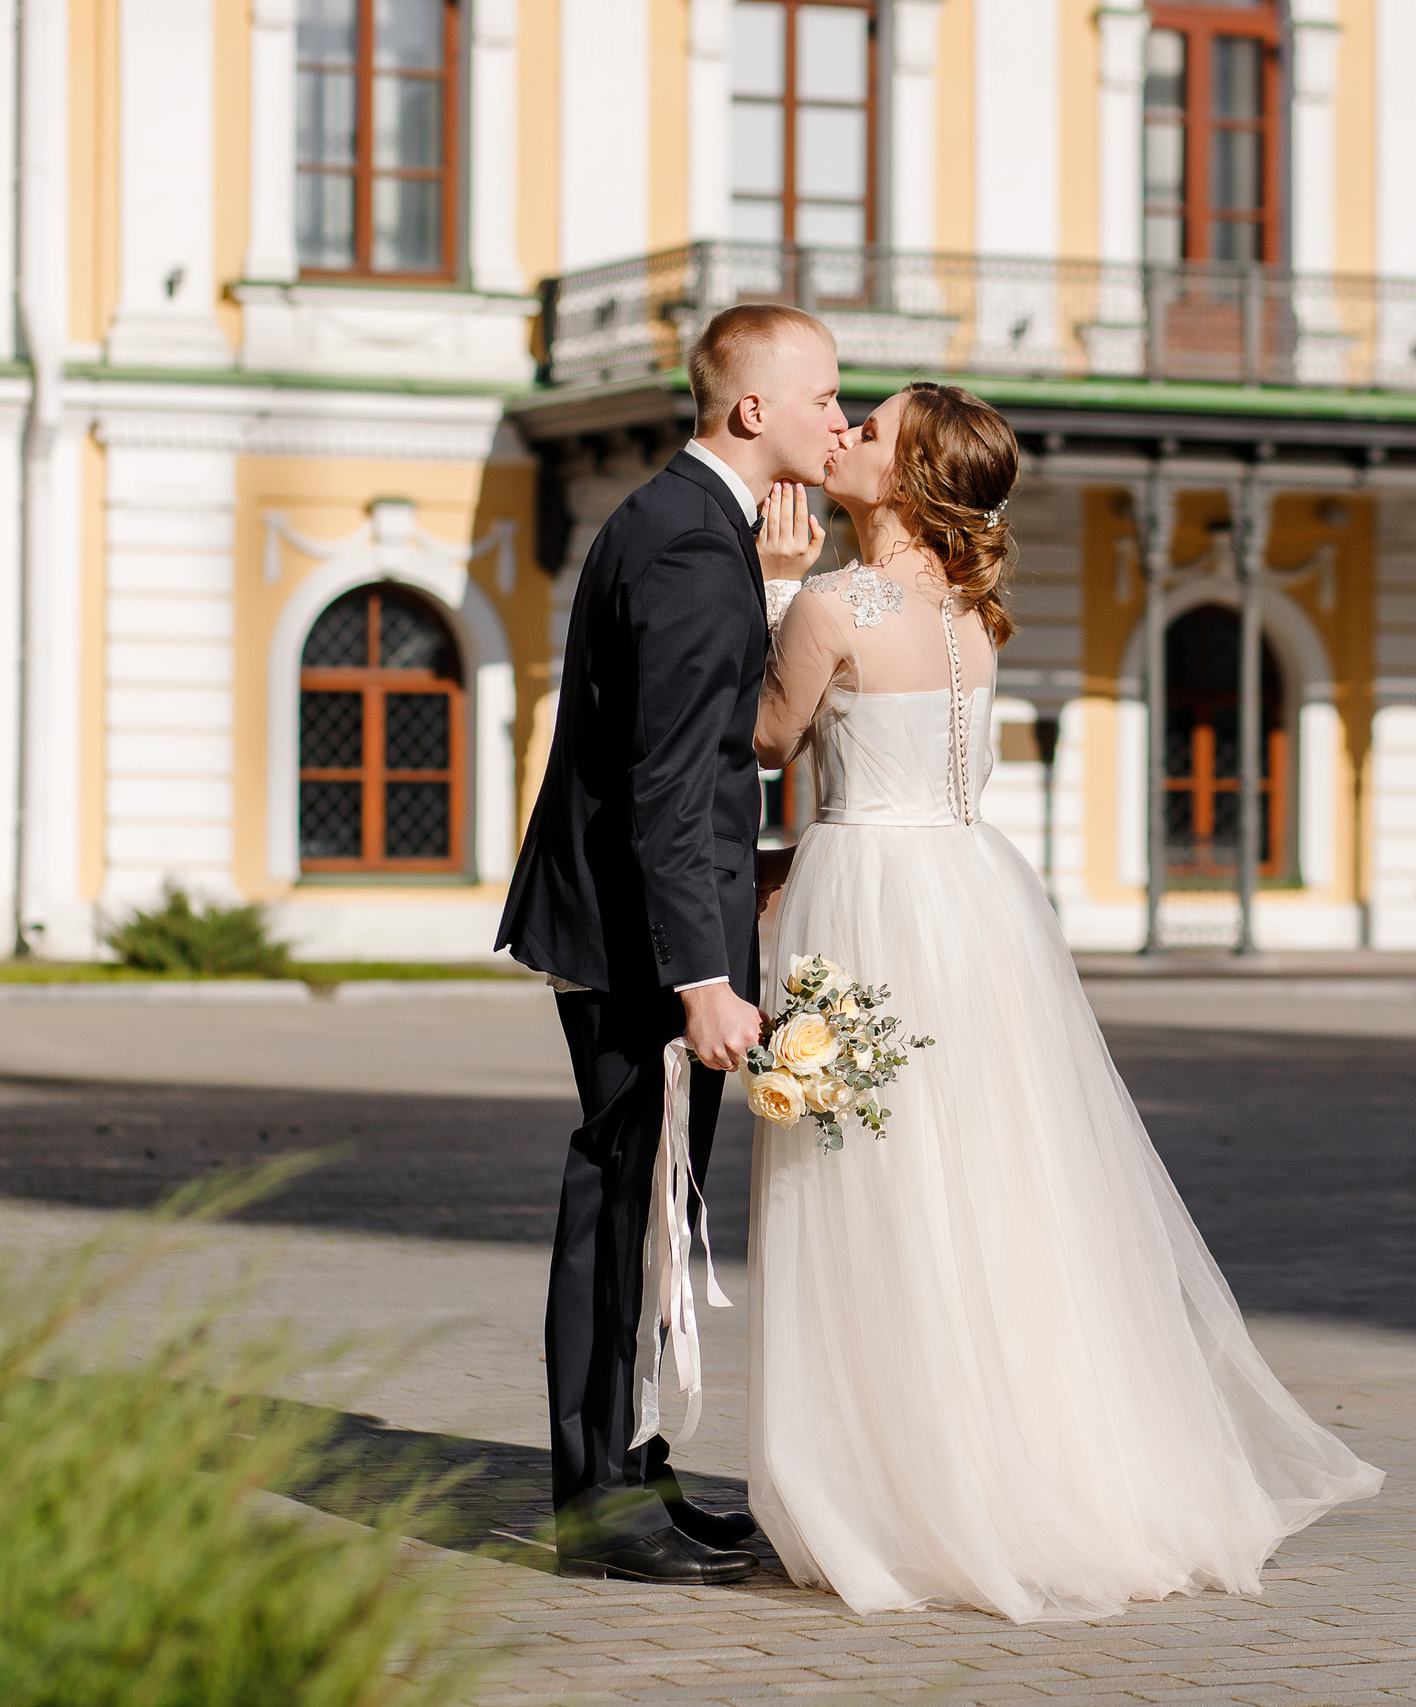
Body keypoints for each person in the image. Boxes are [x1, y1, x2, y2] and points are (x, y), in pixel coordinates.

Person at [746, 382, 1385, 1623]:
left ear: (914, 474)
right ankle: (1016, 1469)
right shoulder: (970, 615)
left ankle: (891, 1488)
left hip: (872, 895)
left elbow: (768, 741)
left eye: (869, 432)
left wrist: (776, 590)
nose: (846, 438)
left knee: (870, 1180)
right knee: (986, 1186)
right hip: (975, 903)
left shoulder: (834, 603)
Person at [496, 302, 847, 1585]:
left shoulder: (691, 530)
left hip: (641, 921)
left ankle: (632, 1470)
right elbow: (666, 780)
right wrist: (702, 975)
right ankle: (597, 1506)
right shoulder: (695, 551)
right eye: (823, 397)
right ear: (751, 409)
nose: (840, 419)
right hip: (646, 949)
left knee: (650, 1209)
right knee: (622, 1199)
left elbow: (690, 761)